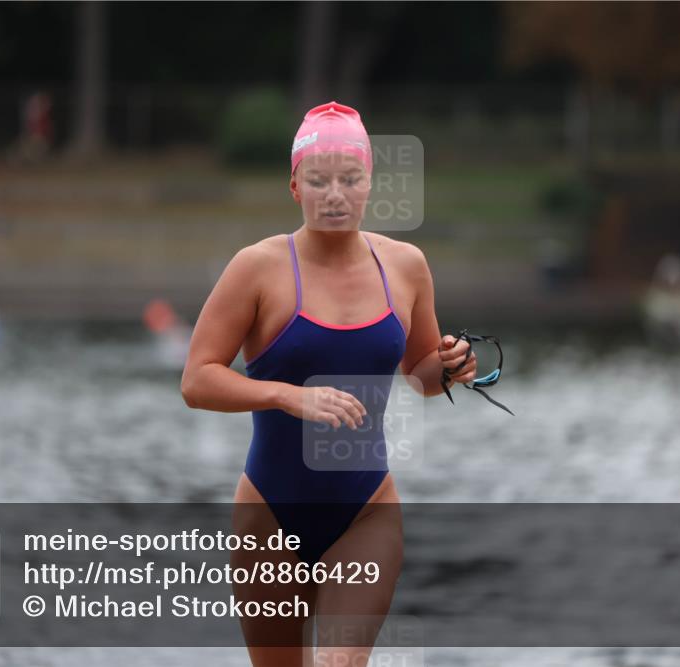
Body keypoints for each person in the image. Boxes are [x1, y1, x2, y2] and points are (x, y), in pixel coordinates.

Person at [180, 101, 477, 667]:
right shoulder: (257, 267)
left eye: (350, 179)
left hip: (365, 513)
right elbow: (197, 380)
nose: (334, 193)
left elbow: (422, 377)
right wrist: (289, 396)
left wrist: (454, 365)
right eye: (318, 180)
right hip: (270, 515)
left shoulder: (407, 266)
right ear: (295, 186)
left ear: (370, 184)